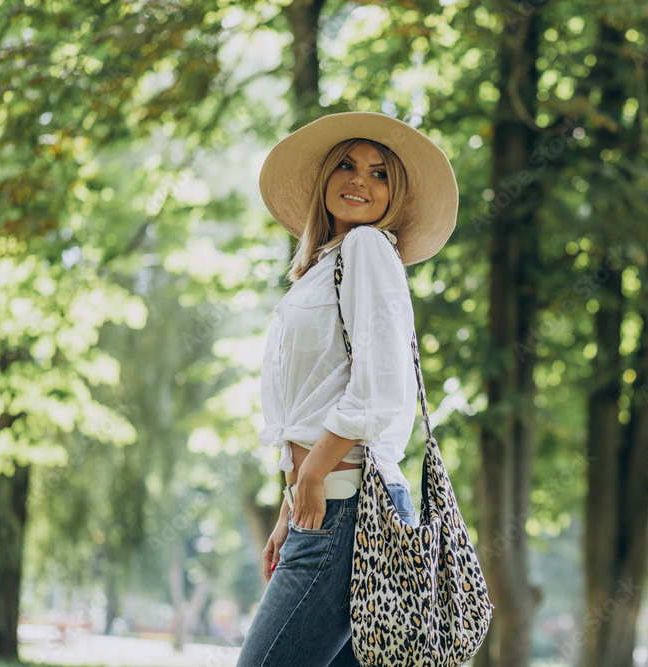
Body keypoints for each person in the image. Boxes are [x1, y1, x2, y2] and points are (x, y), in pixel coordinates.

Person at [236, 112, 459, 667]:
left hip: (350, 511)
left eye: (379, 173)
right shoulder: (324, 267)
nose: (359, 179)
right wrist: (291, 507)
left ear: (396, 197)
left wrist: (311, 476)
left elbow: (380, 388)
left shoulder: (367, 249)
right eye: (346, 165)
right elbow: (309, 402)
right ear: (325, 179)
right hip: (328, 507)